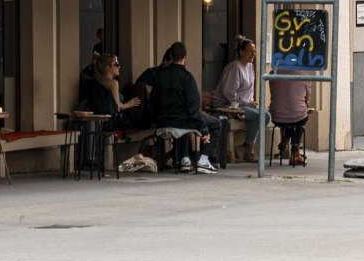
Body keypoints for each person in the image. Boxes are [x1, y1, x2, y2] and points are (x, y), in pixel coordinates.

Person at [148, 42, 217, 174]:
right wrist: (204, 129)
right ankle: (203, 160)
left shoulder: (160, 76)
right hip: (182, 122)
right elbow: (193, 108)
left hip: (162, 122)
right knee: (216, 125)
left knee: (188, 123)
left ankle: (185, 158)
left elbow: (153, 102)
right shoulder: (187, 77)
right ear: (185, 56)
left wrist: (157, 119)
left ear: (171, 56)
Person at [213, 35, 270, 162]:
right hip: (228, 104)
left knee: (266, 115)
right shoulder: (235, 67)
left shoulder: (250, 66)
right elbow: (229, 93)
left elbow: (249, 90)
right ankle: (248, 150)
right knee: (259, 116)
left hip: (244, 104)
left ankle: (244, 146)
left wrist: (251, 102)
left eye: (254, 51)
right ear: (241, 52)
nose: (253, 54)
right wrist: (247, 104)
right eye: (250, 51)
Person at [78, 53, 142, 131]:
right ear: (107, 67)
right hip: (113, 121)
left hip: (101, 121)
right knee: (140, 89)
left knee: (130, 87)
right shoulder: (113, 83)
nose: (119, 67)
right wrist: (130, 104)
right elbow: (118, 107)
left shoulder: (96, 82)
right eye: (116, 64)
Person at [269, 69, 312, 166]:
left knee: (292, 119)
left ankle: (286, 138)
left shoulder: (273, 73)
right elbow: (307, 99)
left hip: (276, 116)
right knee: (300, 120)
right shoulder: (305, 75)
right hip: (297, 116)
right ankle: (295, 153)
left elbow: (275, 93)